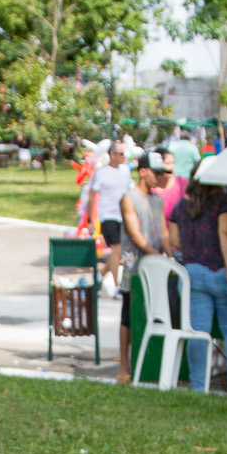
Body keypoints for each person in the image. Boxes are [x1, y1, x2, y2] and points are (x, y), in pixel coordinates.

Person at [168, 176, 227, 395]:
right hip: (222, 273)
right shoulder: (224, 201)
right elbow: (225, 233)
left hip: (193, 275)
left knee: (198, 332)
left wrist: (193, 250)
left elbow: (173, 239)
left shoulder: (181, 206)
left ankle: (198, 387)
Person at [114, 150, 172, 384]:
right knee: (128, 315)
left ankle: (150, 362)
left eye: (161, 173)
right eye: (155, 173)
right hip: (135, 268)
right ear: (143, 172)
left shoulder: (158, 200)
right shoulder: (129, 198)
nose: (159, 177)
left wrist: (170, 257)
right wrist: (158, 256)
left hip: (156, 267)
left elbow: (164, 232)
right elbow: (135, 234)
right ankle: (124, 365)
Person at [88, 141, 134, 293]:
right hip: (107, 215)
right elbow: (92, 195)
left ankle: (99, 277)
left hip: (123, 215)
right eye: (120, 154)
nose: (123, 157)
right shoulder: (101, 172)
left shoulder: (125, 170)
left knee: (117, 253)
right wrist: (89, 220)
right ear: (112, 155)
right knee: (117, 250)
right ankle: (116, 287)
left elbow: (128, 192)